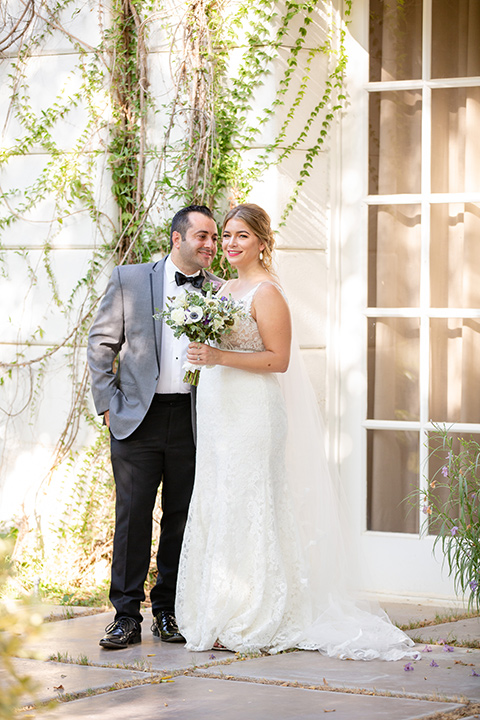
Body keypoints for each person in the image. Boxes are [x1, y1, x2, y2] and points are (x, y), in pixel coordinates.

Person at [175, 203, 419, 661]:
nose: (229, 244)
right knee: (219, 497)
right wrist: (205, 354)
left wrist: (219, 357)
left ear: (263, 243)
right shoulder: (224, 287)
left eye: (241, 236)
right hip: (217, 409)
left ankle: (256, 612)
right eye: (226, 235)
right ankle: (220, 608)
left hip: (252, 412)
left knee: (252, 500)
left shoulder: (267, 293)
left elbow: (277, 360)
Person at [87, 205, 221, 649]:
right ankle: (125, 616)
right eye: (202, 236)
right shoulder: (130, 279)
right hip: (136, 419)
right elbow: (101, 341)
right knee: (132, 517)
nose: (210, 245)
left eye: (214, 238)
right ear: (176, 238)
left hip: (192, 420)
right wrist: (108, 405)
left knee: (181, 519)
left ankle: (168, 611)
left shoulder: (221, 293)